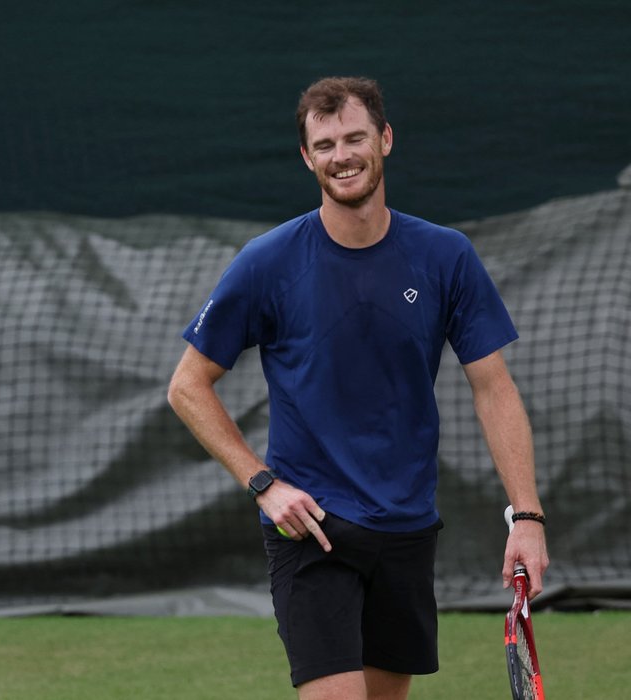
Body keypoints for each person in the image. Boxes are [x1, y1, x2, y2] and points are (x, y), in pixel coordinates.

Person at [167, 77, 548, 700]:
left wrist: (526, 516)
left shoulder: (446, 256)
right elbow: (187, 386)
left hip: (406, 526)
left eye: (354, 138)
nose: (341, 155)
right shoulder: (268, 261)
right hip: (312, 530)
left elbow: (494, 389)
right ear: (306, 157)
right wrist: (262, 483)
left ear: (385, 140)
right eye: (324, 144)